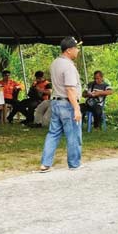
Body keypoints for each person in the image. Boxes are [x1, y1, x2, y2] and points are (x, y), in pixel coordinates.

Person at [38, 37, 83, 173]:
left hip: (56, 102)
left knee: (53, 133)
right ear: (69, 50)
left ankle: (45, 163)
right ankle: (74, 163)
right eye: (76, 48)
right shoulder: (68, 66)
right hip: (67, 103)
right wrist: (76, 108)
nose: (77, 51)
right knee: (73, 134)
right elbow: (70, 89)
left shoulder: (55, 63)